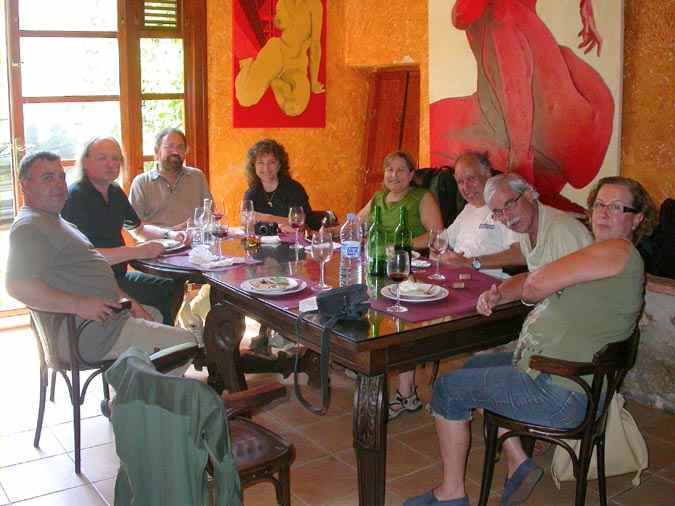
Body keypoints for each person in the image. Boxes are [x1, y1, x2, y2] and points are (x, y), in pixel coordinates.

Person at [404, 176, 656, 506]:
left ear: (637, 218)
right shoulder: (601, 253)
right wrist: (502, 291)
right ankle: (519, 463)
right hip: (560, 376)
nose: (605, 213)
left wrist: (533, 283)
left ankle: (451, 494)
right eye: (599, 205)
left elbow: (538, 284)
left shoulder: (616, 251)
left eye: (618, 207)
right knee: (476, 366)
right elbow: (535, 277)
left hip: (562, 389)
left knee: (448, 388)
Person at [6, 151, 197, 371]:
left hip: (105, 318)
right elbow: (17, 286)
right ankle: (136, 399)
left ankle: (139, 387)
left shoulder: (54, 220)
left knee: (155, 314)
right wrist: (78, 304)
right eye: (48, 178)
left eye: (61, 177)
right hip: (84, 332)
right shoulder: (29, 227)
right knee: (187, 343)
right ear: (25, 185)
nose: (59, 184)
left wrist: (131, 304)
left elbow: (93, 269)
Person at [431, 0, 614, 212]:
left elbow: (515, 88)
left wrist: (519, 169)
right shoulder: (502, 14)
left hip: (560, 135)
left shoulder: (501, 15)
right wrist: (586, 8)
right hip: (584, 116)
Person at [389, 153, 519, 420]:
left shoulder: (503, 207)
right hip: (457, 284)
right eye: (460, 182)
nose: (465, 187)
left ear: (488, 176)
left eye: (471, 179)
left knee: (415, 316)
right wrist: (399, 247)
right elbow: (442, 238)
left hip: (490, 291)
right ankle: (406, 393)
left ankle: (470, 395)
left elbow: (521, 253)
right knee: (405, 309)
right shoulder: (470, 209)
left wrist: (473, 262)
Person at [61, 137, 184, 325]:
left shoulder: (114, 191)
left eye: (116, 158)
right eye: (102, 158)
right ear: (85, 162)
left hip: (118, 276)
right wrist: (139, 251)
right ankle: (159, 340)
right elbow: (86, 257)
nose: (111, 164)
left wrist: (171, 235)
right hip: (93, 284)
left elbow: (139, 229)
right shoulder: (76, 197)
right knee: (163, 290)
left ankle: (163, 339)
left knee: (171, 286)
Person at [235, 0, 325, 116]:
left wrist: (314, 81)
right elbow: (279, 23)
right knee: (245, 98)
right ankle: (248, 66)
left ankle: (271, 78)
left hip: (297, 65)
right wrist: (279, 20)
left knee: (294, 108)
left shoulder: (315, 5)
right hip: (278, 51)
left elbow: (315, 44)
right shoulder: (283, 2)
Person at [356, 151, 444, 249]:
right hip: (374, 255)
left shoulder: (423, 197)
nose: (394, 175)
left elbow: (437, 235)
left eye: (401, 170)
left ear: (411, 175)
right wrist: (335, 231)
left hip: (406, 258)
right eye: (390, 170)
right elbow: (354, 223)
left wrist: (399, 247)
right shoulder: (378, 197)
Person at [130, 128, 212, 229]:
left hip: (193, 242)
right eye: (169, 147)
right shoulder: (141, 183)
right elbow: (135, 226)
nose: (175, 152)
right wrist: (170, 232)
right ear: (157, 151)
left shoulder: (197, 177)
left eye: (180, 147)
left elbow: (209, 214)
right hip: (157, 243)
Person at [243, 138, 320, 230]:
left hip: (294, 243)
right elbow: (245, 222)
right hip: (261, 243)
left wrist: (264, 217)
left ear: (279, 164)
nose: (266, 168)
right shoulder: (252, 193)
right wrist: (283, 221)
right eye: (260, 163)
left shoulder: (294, 189)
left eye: (271, 162)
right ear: (254, 166)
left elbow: (300, 223)